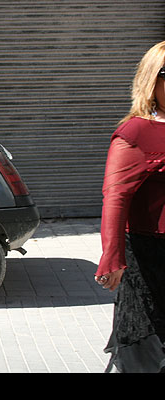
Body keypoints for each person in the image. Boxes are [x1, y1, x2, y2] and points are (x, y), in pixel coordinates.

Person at [95, 40, 165, 373]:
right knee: (148, 356)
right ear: (153, 81)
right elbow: (116, 195)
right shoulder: (136, 132)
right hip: (152, 261)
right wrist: (112, 257)